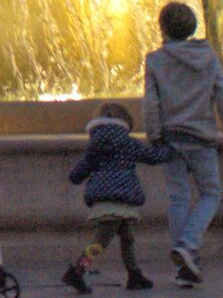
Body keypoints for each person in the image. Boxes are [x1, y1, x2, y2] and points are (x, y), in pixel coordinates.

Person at [144, 0, 223, 287]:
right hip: (202, 137)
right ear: (192, 27)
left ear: (162, 28)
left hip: (171, 138)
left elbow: (150, 104)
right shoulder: (208, 57)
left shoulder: (155, 59)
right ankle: (188, 245)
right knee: (210, 193)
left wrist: (154, 136)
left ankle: (185, 265)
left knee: (178, 197)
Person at [62, 100, 174, 292]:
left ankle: (134, 274)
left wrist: (75, 177)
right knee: (100, 241)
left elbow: (80, 170)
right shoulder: (129, 143)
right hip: (122, 198)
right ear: (126, 122)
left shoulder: (95, 145)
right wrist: (170, 149)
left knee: (127, 237)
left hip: (104, 200)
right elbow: (152, 157)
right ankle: (77, 270)